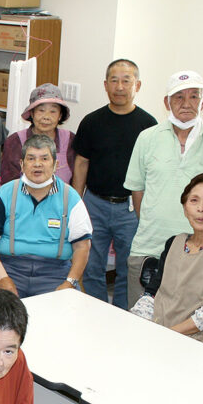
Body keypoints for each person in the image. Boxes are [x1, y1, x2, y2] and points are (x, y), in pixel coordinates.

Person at [124, 70, 203, 309]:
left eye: (194, 96)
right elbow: (137, 190)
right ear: (166, 102)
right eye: (178, 97)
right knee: (140, 322)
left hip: (195, 251)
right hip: (149, 247)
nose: (186, 103)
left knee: (182, 327)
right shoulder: (147, 138)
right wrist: (153, 219)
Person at [72, 59, 157, 310]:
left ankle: (121, 315)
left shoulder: (148, 126)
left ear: (137, 85)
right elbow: (81, 163)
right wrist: (76, 203)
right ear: (105, 85)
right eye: (114, 80)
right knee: (90, 265)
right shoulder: (91, 121)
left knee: (129, 268)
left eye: (126, 80)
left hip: (131, 208)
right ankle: (97, 312)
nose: (120, 86)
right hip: (94, 204)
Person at [130, 174, 203, 348]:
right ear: (184, 208)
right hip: (159, 327)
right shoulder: (174, 242)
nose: (201, 208)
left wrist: (167, 334)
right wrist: (143, 326)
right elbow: (152, 291)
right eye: (194, 200)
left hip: (197, 339)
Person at [0, 134, 92, 298]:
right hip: (10, 268)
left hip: (55, 272)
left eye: (45, 159)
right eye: (31, 159)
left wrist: (69, 282)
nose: (37, 164)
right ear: (22, 165)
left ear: (55, 165)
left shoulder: (71, 197)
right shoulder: (6, 193)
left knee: (67, 313)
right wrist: (2, 278)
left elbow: (82, 246)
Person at [2, 84, 75, 185]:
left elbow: (77, 179)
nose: (46, 117)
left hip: (62, 200)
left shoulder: (70, 140)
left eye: (53, 111)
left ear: (60, 115)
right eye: (41, 110)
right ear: (32, 113)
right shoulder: (15, 141)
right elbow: (8, 184)